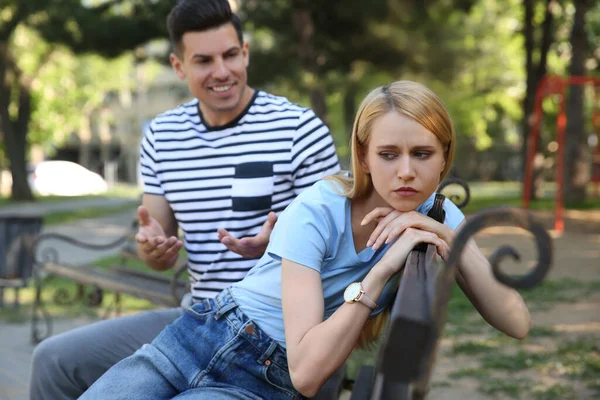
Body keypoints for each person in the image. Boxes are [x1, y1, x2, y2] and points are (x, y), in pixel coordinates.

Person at [79, 80, 531, 399]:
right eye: (389, 154)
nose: (407, 171)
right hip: (200, 336)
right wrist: (381, 269)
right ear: (365, 158)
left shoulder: (438, 214)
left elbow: (517, 321)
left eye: (423, 154)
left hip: (262, 381)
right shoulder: (321, 206)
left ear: (445, 157)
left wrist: (442, 234)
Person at [29, 1, 340, 399]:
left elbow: (340, 244)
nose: (222, 71)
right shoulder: (163, 136)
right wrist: (153, 248)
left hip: (279, 336)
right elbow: (157, 247)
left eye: (230, 55)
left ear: (245, 53)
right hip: (195, 320)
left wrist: (286, 244)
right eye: (204, 60)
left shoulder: (299, 129)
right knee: (53, 360)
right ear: (179, 67)